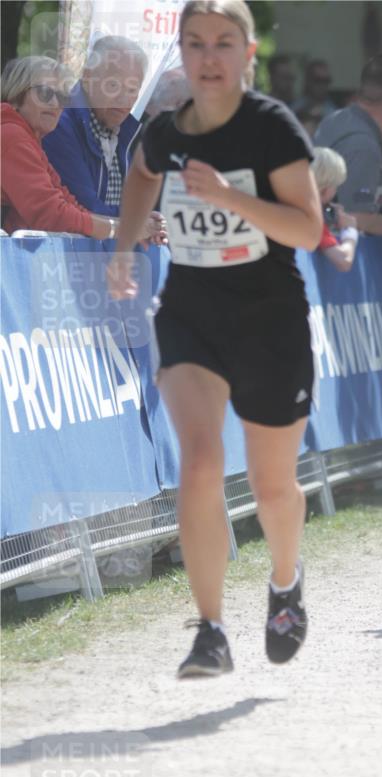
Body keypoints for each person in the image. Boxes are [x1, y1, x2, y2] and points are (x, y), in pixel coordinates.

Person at [107, 0, 322, 678]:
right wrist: (122, 247)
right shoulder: (169, 132)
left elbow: (308, 230)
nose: (209, 57)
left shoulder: (272, 128)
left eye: (224, 43)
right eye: (196, 43)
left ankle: (284, 584)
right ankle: (210, 630)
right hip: (192, 312)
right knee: (200, 463)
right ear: (183, 52)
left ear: (248, 53)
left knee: (271, 483)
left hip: (269, 316)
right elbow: (142, 172)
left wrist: (229, 198)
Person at [42, 36, 162, 240]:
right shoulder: (59, 124)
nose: (125, 99)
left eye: (133, 90)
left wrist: (152, 224)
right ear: (88, 78)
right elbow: (87, 209)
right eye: (113, 85)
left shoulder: (125, 131)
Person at [1, 55, 124, 238]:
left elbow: (68, 204)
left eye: (62, 97)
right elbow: (51, 215)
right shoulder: (13, 137)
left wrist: (129, 226)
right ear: (17, 96)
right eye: (44, 93)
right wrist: (124, 230)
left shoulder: (30, 140)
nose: (55, 104)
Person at [314, 53, 382, 247]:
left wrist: (381, 206)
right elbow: (354, 216)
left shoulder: (336, 120)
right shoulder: (362, 145)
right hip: (341, 263)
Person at [312, 146, 359, 272]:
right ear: (325, 189)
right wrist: (349, 230)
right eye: (335, 186)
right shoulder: (309, 216)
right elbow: (344, 260)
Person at [292, 59, 337, 123]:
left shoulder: (334, 114)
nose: (322, 85)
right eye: (318, 80)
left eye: (326, 81)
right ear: (308, 81)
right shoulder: (294, 110)